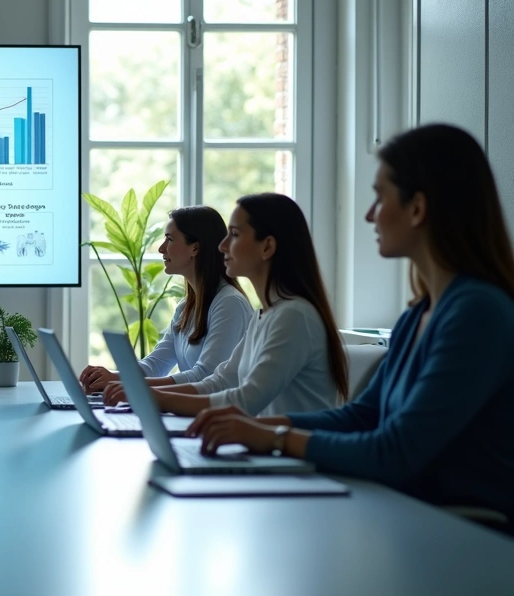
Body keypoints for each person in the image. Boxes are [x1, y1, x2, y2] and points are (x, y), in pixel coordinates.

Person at [190, 124, 514, 522]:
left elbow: (394, 452)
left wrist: (274, 437)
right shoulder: (419, 314)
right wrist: (258, 425)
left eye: (380, 197)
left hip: (458, 532)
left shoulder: (478, 314)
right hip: (406, 513)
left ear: (417, 208)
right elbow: (360, 415)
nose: (369, 214)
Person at [104, 193, 347, 418]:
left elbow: (244, 399)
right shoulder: (266, 315)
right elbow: (220, 382)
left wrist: (148, 396)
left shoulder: (292, 316)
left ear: (267, 247)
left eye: (235, 234)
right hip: (267, 454)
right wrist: (139, 391)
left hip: (286, 460)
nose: (222, 246)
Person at [79, 206, 252, 392]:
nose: (161, 248)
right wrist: (112, 376)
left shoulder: (230, 304)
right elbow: (155, 366)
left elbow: (206, 377)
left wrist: (124, 385)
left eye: (169, 239)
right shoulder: (186, 307)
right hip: (194, 413)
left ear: (195, 247)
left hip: (222, 418)